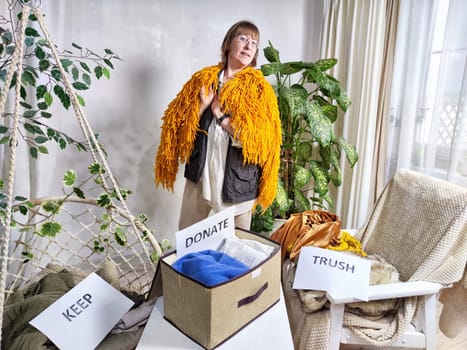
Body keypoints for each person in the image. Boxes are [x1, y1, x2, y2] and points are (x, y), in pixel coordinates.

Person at [154, 20, 281, 231]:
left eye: (254, 43)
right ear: (228, 44)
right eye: (243, 39)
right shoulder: (203, 80)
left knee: (236, 252)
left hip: (238, 182)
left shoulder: (259, 90)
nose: (249, 46)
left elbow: (258, 143)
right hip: (201, 176)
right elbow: (178, 129)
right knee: (188, 241)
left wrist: (220, 116)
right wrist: (203, 107)